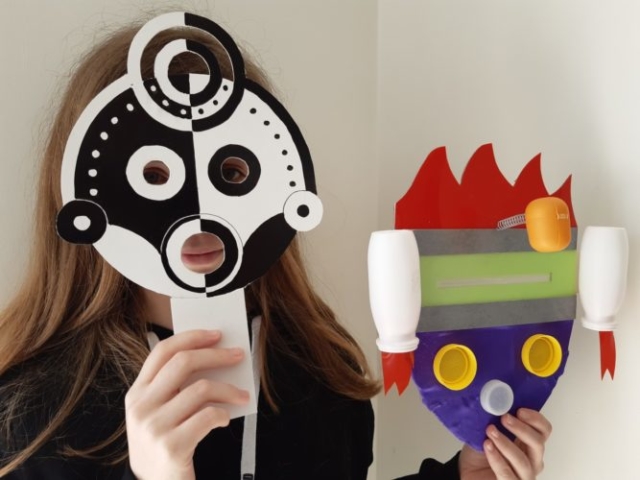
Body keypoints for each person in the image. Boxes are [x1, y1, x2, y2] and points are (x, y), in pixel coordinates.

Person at [0, 13, 551, 480]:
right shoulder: (33, 413)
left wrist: (463, 476)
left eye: (231, 172)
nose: (198, 217)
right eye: (155, 175)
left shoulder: (318, 366)